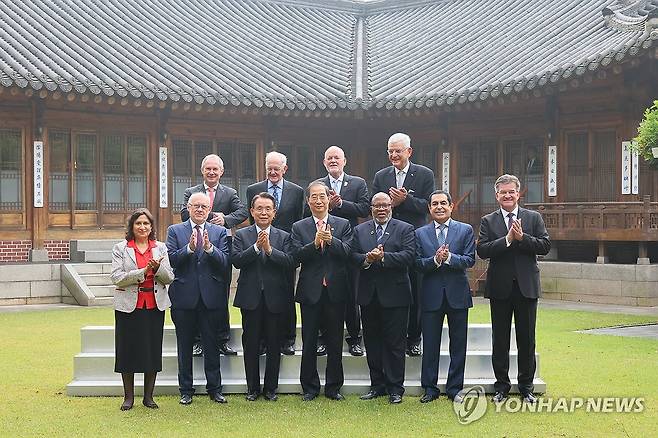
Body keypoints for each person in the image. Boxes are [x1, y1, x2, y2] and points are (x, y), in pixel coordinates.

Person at [476, 174, 551, 404]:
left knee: (526, 339)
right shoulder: (489, 221)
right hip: (500, 288)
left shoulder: (533, 217)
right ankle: (501, 386)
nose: (507, 195)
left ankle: (526, 387)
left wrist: (522, 237)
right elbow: (483, 250)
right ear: (496, 195)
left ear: (519, 193)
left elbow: (545, 245)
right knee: (500, 339)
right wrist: (508, 239)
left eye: (511, 192)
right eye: (503, 192)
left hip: (526, 287)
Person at [372, 132, 435, 356]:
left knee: (415, 288)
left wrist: (404, 200)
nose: (394, 155)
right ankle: (385, 335)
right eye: (390, 151)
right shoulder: (381, 176)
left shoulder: (424, 174)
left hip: (414, 238)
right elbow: (376, 205)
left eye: (398, 151)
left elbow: (428, 206)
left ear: (409, 152)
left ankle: (414, 337)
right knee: (387, 287)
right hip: (387, 239)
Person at [167, 192, 231, 405]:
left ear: (209, 208)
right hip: (184, 297)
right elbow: (171, 261)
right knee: (184, 346)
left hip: (210, 297)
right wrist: (189, 249)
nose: (200, 210)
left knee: (211, 345)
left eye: (204, 206)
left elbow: (225, 263)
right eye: (196, 206)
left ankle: (215, 389)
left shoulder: (219, 232)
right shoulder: (175, 231)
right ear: (188, 207)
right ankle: (186, 390)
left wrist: (210, 249)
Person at [291, 180, 353, 401]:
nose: (318, 200)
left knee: (335, 340)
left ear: (329, 199)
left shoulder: (343, 224)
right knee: (309, 341)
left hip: (336, 291)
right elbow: (295, 256)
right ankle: (309, 387)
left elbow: (348, 253)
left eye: (322, 196)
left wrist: (331, 240)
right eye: (314, 197)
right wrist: (315, 244)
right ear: (308, 202)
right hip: (310, 291)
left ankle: (333, 387)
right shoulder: (300, 227)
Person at [232, 192, 296, 401]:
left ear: (274, 213)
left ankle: (270, 388)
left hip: (275, 298)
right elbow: (237, 261)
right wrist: (256, 247)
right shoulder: (242, 235)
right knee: (250, 343)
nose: (263, 212)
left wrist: (269, 250)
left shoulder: (284, 236)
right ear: (252, 211)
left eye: (268, 209)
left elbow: (289, 262)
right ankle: (252, 388)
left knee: (274, 343)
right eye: (259, 208)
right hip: (250, 298)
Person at [352, 192, 415, 404]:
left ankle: (395, 388)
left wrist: (384, 257)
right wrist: (367, 259)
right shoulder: (360, 230)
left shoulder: (405, 229)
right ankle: (377, 385)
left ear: (391, 207)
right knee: (372, 342)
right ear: (371, 208)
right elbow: (352, 256)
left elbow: (409, 255)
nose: (381, 209)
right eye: (376, 206)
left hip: (396, 296)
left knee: (395, 344)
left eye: (385, 205)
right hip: (369, 296)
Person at [181, 154, 246, 356]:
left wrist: (225, 219)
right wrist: (209, 216)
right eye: (208, 169)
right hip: (195, 246)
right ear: (202, 171)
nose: (211, 172)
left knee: (221, 293)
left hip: (220, 247)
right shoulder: (191, 192)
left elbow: (243, 211)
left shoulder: (230, 192)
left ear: (221, 172)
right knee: (197, 295)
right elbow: (185, 213)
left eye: (215, 169)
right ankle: (197, 340)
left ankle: (222, 339)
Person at [415, 190, 475, 403]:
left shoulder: (465, 230)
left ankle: (454, 388)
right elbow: (417, 264)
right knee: (430, 344)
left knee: (458, 344)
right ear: (429, 208)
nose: (439, 207)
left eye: (443, 203)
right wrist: (435, 260)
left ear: (451, 206)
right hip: (431, 295)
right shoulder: (420, 233)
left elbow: (469, 260)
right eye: (434, 204)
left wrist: (449, 257)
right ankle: (430, 388)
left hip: (457, 294)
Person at [111, 208, 174, 411]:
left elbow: (169, 277)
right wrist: (143, 271)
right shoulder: (121, 248)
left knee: (151, 351)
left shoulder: (160, 248)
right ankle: (128, 397)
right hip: (128, 306)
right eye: (138, 223)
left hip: (154, 305)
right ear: (132, 226)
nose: (142, 227)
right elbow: (117, 277)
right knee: (127, 350)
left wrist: (156, 269)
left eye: (146, 223)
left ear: (151, 227)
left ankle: (148, 397)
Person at [243, 151, 304, 355]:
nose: (273, 172)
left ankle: (288, 338)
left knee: (286, 293)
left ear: (284, 169)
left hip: (284, 249)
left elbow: (298, 221)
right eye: (269, 168)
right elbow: (252, 221)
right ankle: (260, 340)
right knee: (259, 295)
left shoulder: (296, 191)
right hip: (259, 247)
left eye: (276, 168)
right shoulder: (254, 189)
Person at [316, 145, 370, 357]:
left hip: (349, 244)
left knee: (351, 292)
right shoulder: (318, 185)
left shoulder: (357, 183)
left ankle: (354, 338)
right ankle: (322, 337)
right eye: (329, 158)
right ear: (324, 162)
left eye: (336, 158)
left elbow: (365, 209)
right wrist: (325, 205)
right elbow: (308, 209)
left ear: (344, 161)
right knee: (321, 292)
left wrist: (341, 204)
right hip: (322, 245)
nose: (333, 161)